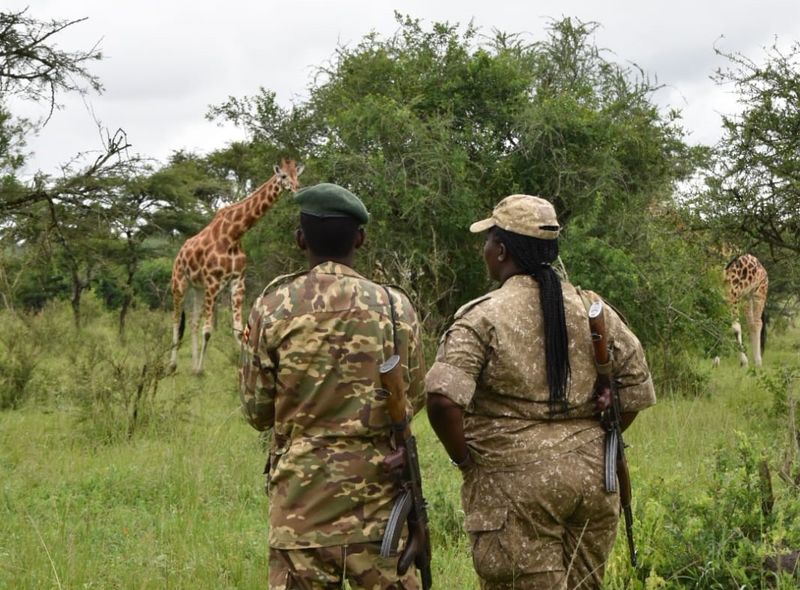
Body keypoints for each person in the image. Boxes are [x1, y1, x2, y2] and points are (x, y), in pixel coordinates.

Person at [425, 194, 656, 589]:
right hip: (595, 481)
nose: (485, 250)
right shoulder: (591, 307)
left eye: (488, 242)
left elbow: (442, 399)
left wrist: (466, 462)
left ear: (500, 251)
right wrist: (593, 437)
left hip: (514, 486)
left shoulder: (482, 316)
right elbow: (635, 390)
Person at [239, 182, 426, 590]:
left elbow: (256, 412)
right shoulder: (396, 306)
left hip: (300, 510)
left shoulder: (272, 307)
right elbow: (413, 397)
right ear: (359, 237)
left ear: (300, 238)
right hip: (380, 511)